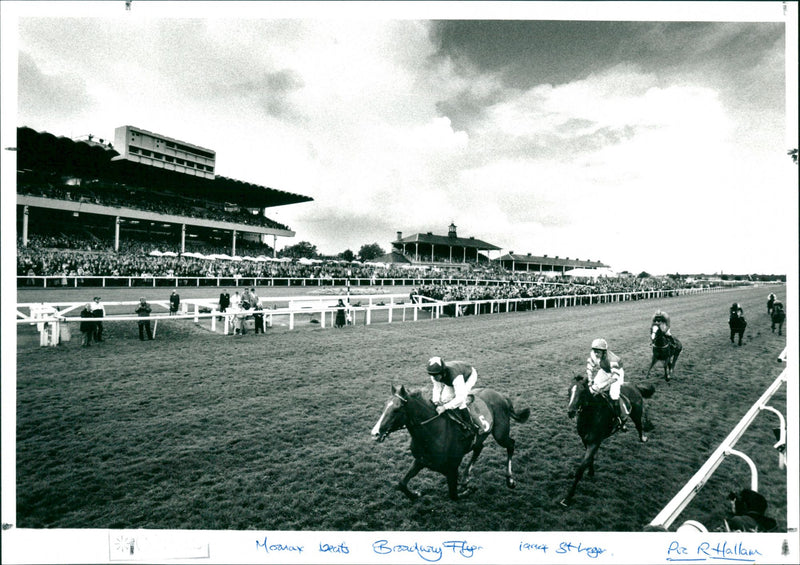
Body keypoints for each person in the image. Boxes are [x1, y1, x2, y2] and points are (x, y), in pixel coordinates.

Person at [426, 356, 479, 435]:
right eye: (432, 375)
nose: (435, 378)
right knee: (444, 399)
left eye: (436, 375)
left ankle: (470, 426)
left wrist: (444, 407)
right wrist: (436, 401)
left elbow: (460, 398)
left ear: (443, 372)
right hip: (451, 380)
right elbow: (437, 388)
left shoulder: (455, 376)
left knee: (461, 402)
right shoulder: (435, 374)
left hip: (468, 376)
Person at [585, 338, 627, 431]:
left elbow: (615, 377)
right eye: (595, 351)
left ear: (604, 352)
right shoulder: (593, 355)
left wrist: (604, 386)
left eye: (598, 352)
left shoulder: (612, 359)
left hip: (617, 373)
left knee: (613, 394)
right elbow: (589, 367)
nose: (596, 354)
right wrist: (590, 379)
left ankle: (620, 418)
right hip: (604, 370)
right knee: (593, 389)